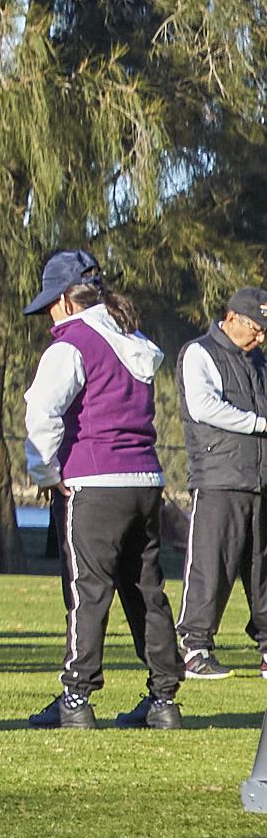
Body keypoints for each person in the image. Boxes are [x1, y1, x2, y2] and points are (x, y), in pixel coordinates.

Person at [21, 248, 183, 729]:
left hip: (93, 479)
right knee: (145, 589)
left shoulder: (71, 345)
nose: (49, 314)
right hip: (145, 480)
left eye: (52, 303)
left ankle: (76, 698)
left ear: (70, 301)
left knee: (87, 590)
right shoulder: (134, 341)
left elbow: (41, 415)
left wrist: (46, 475)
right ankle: (164, 700)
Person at [177, 284, 267, 681]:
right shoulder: (199, 353)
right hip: (218, 478)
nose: (260, 337)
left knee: (262, 571)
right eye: (255, 328)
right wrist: (259, 424)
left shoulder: (259, 361)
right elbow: (205, 406)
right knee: (211, 566)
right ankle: (195, 648)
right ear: (231, 318)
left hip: (260, 481)